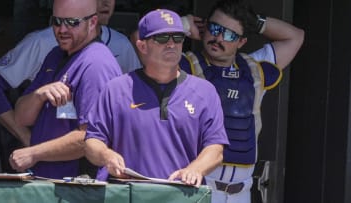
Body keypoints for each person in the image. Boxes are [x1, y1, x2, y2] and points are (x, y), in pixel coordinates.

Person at [84, 8, 229, 187]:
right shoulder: (116, 89)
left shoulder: (205, 91)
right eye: (162, 38)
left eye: (177, 38)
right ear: (142, 46)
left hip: (180, 195)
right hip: (128, 194)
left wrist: (196, 169)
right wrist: (106, 156)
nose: (171, 44)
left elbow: (215, 149)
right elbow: (92, 142)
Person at [0, 0, 140, 171]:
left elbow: (92, 138)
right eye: (57, 21)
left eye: (72, 22)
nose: (62, 30)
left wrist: (34, 153)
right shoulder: (56, 54)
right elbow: (21, 117)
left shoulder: (96, 63)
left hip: (76, 187)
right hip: (48, 181)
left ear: (92, 22)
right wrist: (40, 94)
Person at [179, 0, 304, 202]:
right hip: (197, 187)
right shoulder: (185, 66)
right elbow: (142, 44)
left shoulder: (253, 71)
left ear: (241, 42)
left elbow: (295, 37)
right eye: (214, 28)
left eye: (229, 34)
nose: (218, 38)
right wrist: (181, 25)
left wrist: (254, 22)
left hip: (242, 192)